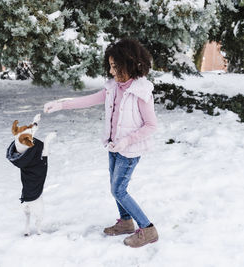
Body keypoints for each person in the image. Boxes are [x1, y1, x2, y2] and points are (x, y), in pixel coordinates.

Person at [43, 38, 158, 248]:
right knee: (115, 187)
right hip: (113, 147)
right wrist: (60, 105)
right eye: (111, 66)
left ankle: (148, 228)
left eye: (116, 66)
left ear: (130, 63)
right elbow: (87, 100)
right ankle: (125, 222)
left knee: (119, 190)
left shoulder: (141, 92)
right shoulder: (113, 87)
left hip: (129, 151)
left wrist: (126, 142)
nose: (112, 71)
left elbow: (151, 125)